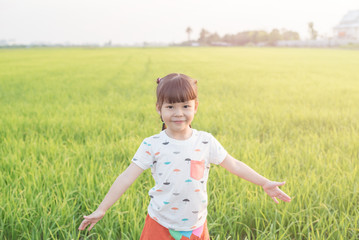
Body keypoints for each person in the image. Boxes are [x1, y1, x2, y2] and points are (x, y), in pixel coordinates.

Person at [78, 73, 291, 239]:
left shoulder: (205, 141)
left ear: (195, 107)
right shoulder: (152, 144)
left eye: (185, 106)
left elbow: (234, 164)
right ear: (159, 109)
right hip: (160, 224)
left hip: (196, 226)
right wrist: (102, 208)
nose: (178, 113)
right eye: (170, 107)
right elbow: (126, 177)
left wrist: (264, 182)